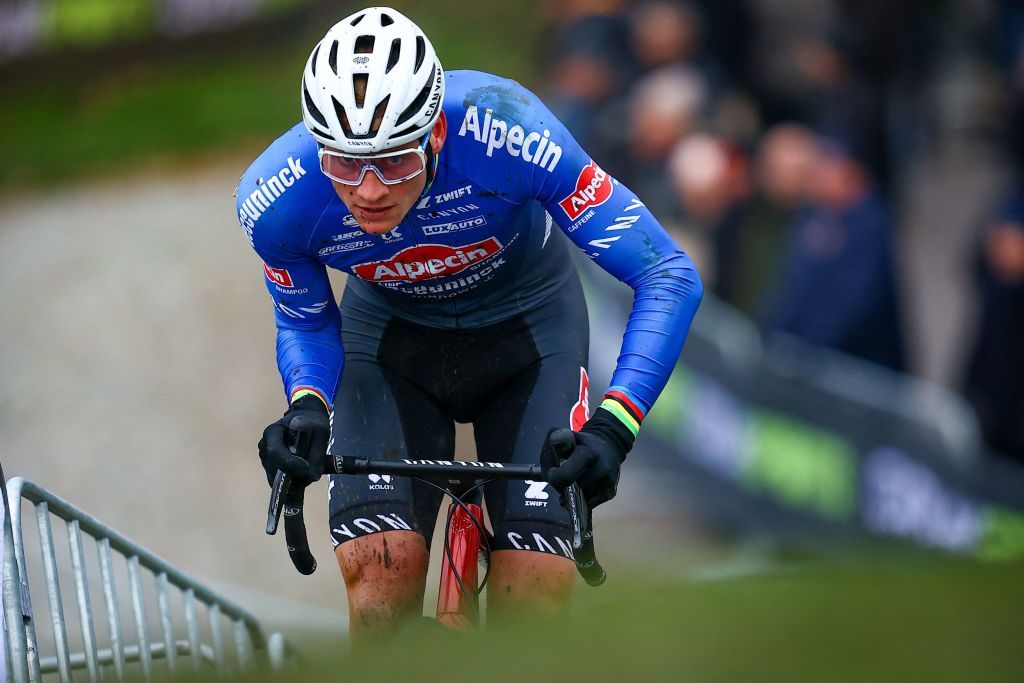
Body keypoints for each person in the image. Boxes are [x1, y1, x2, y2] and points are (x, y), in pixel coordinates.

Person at [236, 7, 702, 644]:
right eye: (345, 165)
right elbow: (305, 319)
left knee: (532, 613)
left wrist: (616, 426)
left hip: (529, 336)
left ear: (436, 134)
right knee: (380, 589)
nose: (369, 190)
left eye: (394, 162)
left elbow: (668, 274)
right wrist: (307, 406)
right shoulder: (276, 199)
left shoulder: (508, 127)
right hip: (390, 348)